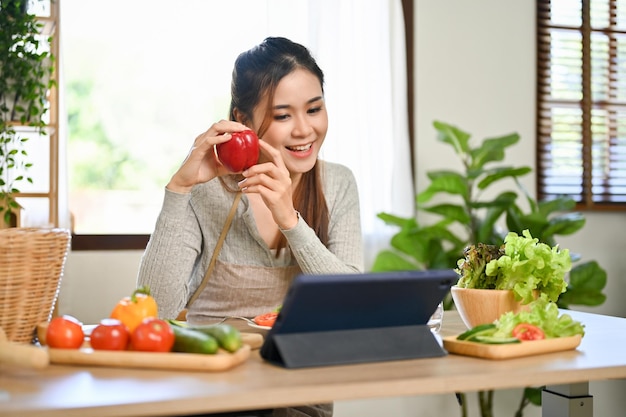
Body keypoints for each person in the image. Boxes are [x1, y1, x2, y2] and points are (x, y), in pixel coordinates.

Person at [136, 37, 364, 417]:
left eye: (314, 108)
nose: (305, 130)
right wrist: (180, 189)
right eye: (282, 115)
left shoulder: (338, 183)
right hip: (210, 395)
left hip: (301, 394)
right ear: (243, 121)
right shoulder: (208, 190)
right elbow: (153, 312)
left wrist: (290, 220)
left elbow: (352, 305)